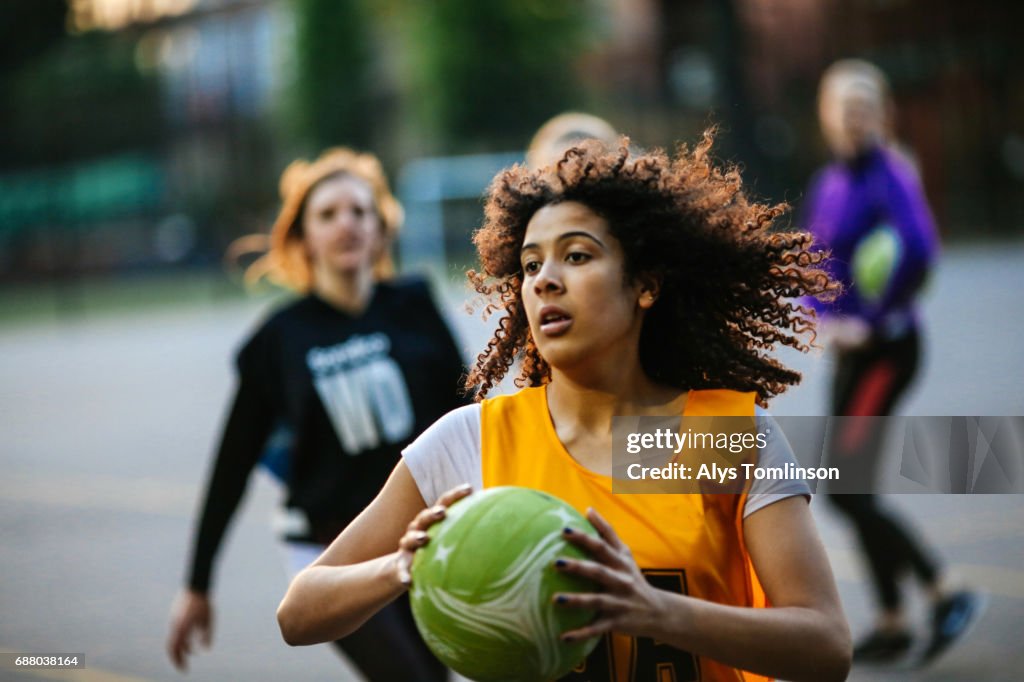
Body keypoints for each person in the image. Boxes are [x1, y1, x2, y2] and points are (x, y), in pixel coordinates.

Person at [277, 132, 853, 682]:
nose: (545, 280)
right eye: (530, 266)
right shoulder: (472, 440)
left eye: (576, 257)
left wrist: (658, 613)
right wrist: (402, 567)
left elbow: (826, 644)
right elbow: (299, 612)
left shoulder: (718, 434)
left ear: (645, 284)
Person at [167, 148, 464, 681]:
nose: (346, 223)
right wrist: (197, 584)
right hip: (329, 551)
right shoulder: (279, 339)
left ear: (380, 229)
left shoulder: (415, 306)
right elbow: (232, 463)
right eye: (328, 214)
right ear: (303, 237)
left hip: (423, 536)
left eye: (359, 210)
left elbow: (468, 416)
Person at [804, 59, 984, 664]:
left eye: (864, 108)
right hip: (850, 353)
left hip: (887, 352)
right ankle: (891, 618)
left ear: (882, 116)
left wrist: (871, 320)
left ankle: (944, 590)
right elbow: (817, 264)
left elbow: (921, 254)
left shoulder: (893, 177)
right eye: (841, 108)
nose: (853, 119)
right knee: (849, 484)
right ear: (826, 116)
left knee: (844, 493)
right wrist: (823, 315)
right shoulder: (830, 183)